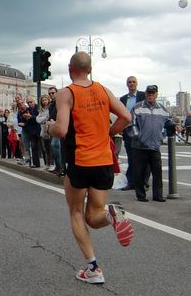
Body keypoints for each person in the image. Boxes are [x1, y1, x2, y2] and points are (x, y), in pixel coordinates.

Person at [47, 52, 133, 284]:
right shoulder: (103, 90)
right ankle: (113, 215)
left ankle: (93, 269)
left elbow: (62, 129)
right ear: (90, 68)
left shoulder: (66, 93)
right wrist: (109, 132)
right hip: (104, 159)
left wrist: (50, 126)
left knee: (76, 213)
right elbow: (126, 116)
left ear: (69, 68)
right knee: (95, 216)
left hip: (80, 159)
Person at [127, 85, 182, 202]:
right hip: (139, 147)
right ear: (146, 94)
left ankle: (158, 195)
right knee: (139, 173)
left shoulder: (162, 109)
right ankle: (141, 195)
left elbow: (167, 121)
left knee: (157, 172)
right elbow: (131, 125)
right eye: (149, 93)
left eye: (153, 93)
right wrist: (138, 136)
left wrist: (175, 125)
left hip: (155, 146)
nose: (150, 95)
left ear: (156, 95)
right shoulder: (137, 107)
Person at [119, 76, 148, 191]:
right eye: (129, 82)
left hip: (142, 131)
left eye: (133, 82)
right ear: (127, 84)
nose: (131, 84)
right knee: (131, 158)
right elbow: (120, 115)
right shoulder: (123, 99)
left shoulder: (143, 96)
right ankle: (131, 182)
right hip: (128, 132)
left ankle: (143, 182)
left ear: (137, 84)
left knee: (144, 158)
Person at [18, 97, 41, 168]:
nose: (29, 104)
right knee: (33, 146)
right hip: (31, 130)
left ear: (34, 101)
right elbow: (26, 120)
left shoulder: (38, 107)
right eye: (28, 102)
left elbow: (39, 118)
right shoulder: (27, 109)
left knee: (43, 148)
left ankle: (47, 164)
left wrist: (30, 117)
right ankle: (35, 163)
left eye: (31, 102)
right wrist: (25, 120)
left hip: (39, 129)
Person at [36, 95, 53, 170]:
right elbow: (37, 119)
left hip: (50, 130)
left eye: (45, 100)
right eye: (43, 100)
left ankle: (52, 164)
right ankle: (47, 164)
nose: (44, 102)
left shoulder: (51, 108)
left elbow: (49, 118)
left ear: (48, 100)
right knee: (45, 149)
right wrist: (44, 119)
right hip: (43, 131)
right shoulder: (41, 110)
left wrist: (43, 120)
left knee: (51, 148)